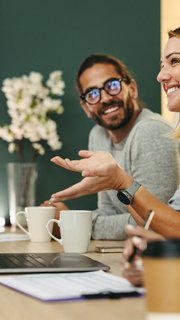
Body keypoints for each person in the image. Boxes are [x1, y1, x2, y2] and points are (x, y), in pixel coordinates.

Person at [49, 26, 180, 285]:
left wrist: (76, 220)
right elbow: (162, 224)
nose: (161, 75)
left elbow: (158, 221)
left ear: (132, 88)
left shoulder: (152, 131)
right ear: (86, 107)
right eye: (93, 94)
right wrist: (153, 253)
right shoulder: (98, 138)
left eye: (174, 61)